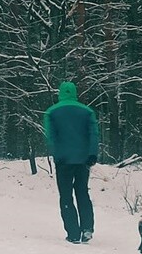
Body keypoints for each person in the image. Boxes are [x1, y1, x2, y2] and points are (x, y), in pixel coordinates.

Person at [43, 81, 100, 244]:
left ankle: (73, 233)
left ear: (60, 93)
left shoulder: (52, 112)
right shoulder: (87, 111)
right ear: (75, 93)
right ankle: (87, 228)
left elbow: (50, 137)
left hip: (63, 160)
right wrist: (92, 154)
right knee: (82, 192)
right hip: (83, 159)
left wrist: (56, 153)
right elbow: (94, 134)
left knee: (66, 196)